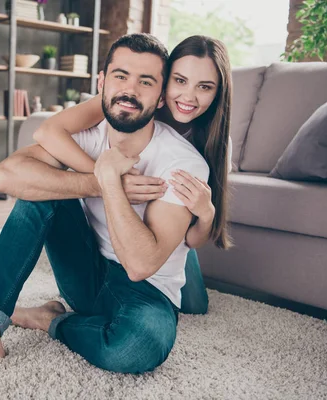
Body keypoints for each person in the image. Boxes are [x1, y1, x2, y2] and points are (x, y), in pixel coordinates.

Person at [0, 33, 209, 384]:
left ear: (161, 97)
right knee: (39, 188)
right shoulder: (88, 135)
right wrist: (98, 178)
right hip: (84, 277)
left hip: (147, 292)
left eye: (145, 82)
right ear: (101, 83)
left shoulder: (181, 163)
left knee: (136, 347)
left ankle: (49, 320)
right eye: (120, 76)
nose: (129, 90)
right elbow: (5, 177)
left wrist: (112, 179)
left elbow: (140, 265)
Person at [33, 35, 234, 315]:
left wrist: (207, 214)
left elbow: (191, 241)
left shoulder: (211, 146)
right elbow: (47, 131)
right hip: (127, 235)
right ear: (163, 84)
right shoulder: (132, 105)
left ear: (217, 93)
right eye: (180, 81)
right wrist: (105, 177)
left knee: (194, 306)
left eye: (204, 87)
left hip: (171, 228)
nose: (188, 97)